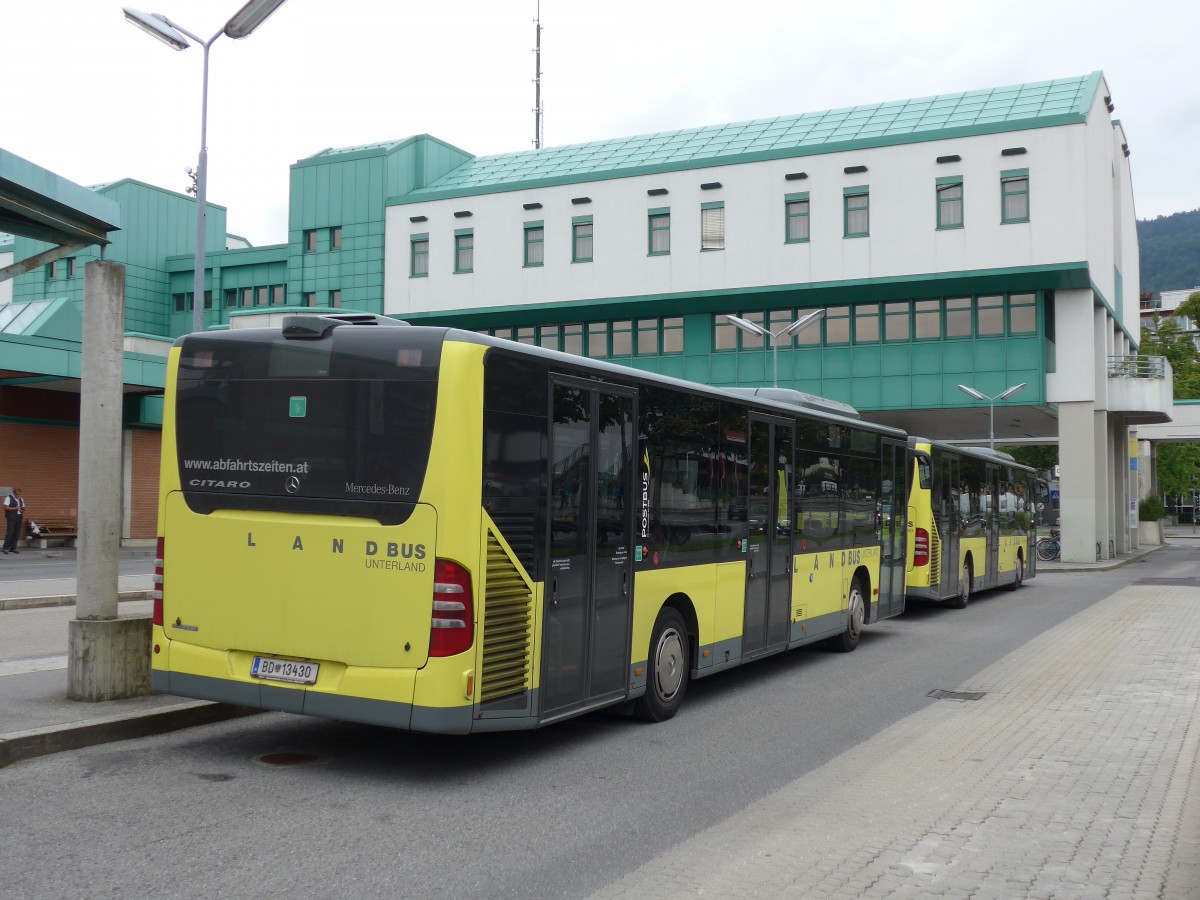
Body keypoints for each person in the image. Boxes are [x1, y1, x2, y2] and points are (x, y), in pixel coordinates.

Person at [3, 488, 27, 554]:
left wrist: (22, 510)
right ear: (14, 493)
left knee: (17, 533)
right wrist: (15, 508)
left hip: (19, 517)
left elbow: (23, 508)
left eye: (19, 494)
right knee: (10, 532)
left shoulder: (21, 499)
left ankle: (13, 548)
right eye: (17, 494)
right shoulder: (8, 498)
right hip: (11, 518)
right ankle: (6, 548)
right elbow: (5, 507)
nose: (18, 495)